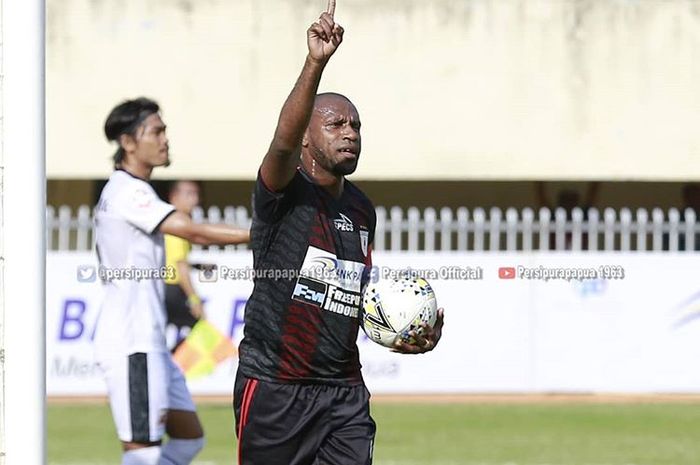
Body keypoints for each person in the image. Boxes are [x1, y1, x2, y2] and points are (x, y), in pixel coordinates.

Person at [234, 5, 444, 465]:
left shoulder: (361, 208)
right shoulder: (282, 193)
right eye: (335, 124)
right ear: (307, 137)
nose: (349, 133)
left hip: (343, 393)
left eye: (355, 125)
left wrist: (406, 331)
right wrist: (315, 63)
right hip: (276, 387)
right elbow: (281, 143)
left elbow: (354, 293)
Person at [93, 97, 250, 465]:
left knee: (188, 439)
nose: (166, 139)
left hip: (150, 342)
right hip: (133, 342)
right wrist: (259, 234)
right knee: (142, 451)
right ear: (129, 143)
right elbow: (192, 230)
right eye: (157, 131)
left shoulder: (134, 190)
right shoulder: (126, 191)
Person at [164, 180, 204, 352]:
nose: (194, 200)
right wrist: (194, 299)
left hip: (160, 288)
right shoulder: (178, 224)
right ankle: (172, 362)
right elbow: (180, 267)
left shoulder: (166, 221)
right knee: (198, 325)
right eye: (188, 194)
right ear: (174, 197)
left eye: (196, 194)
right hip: (171, 289)